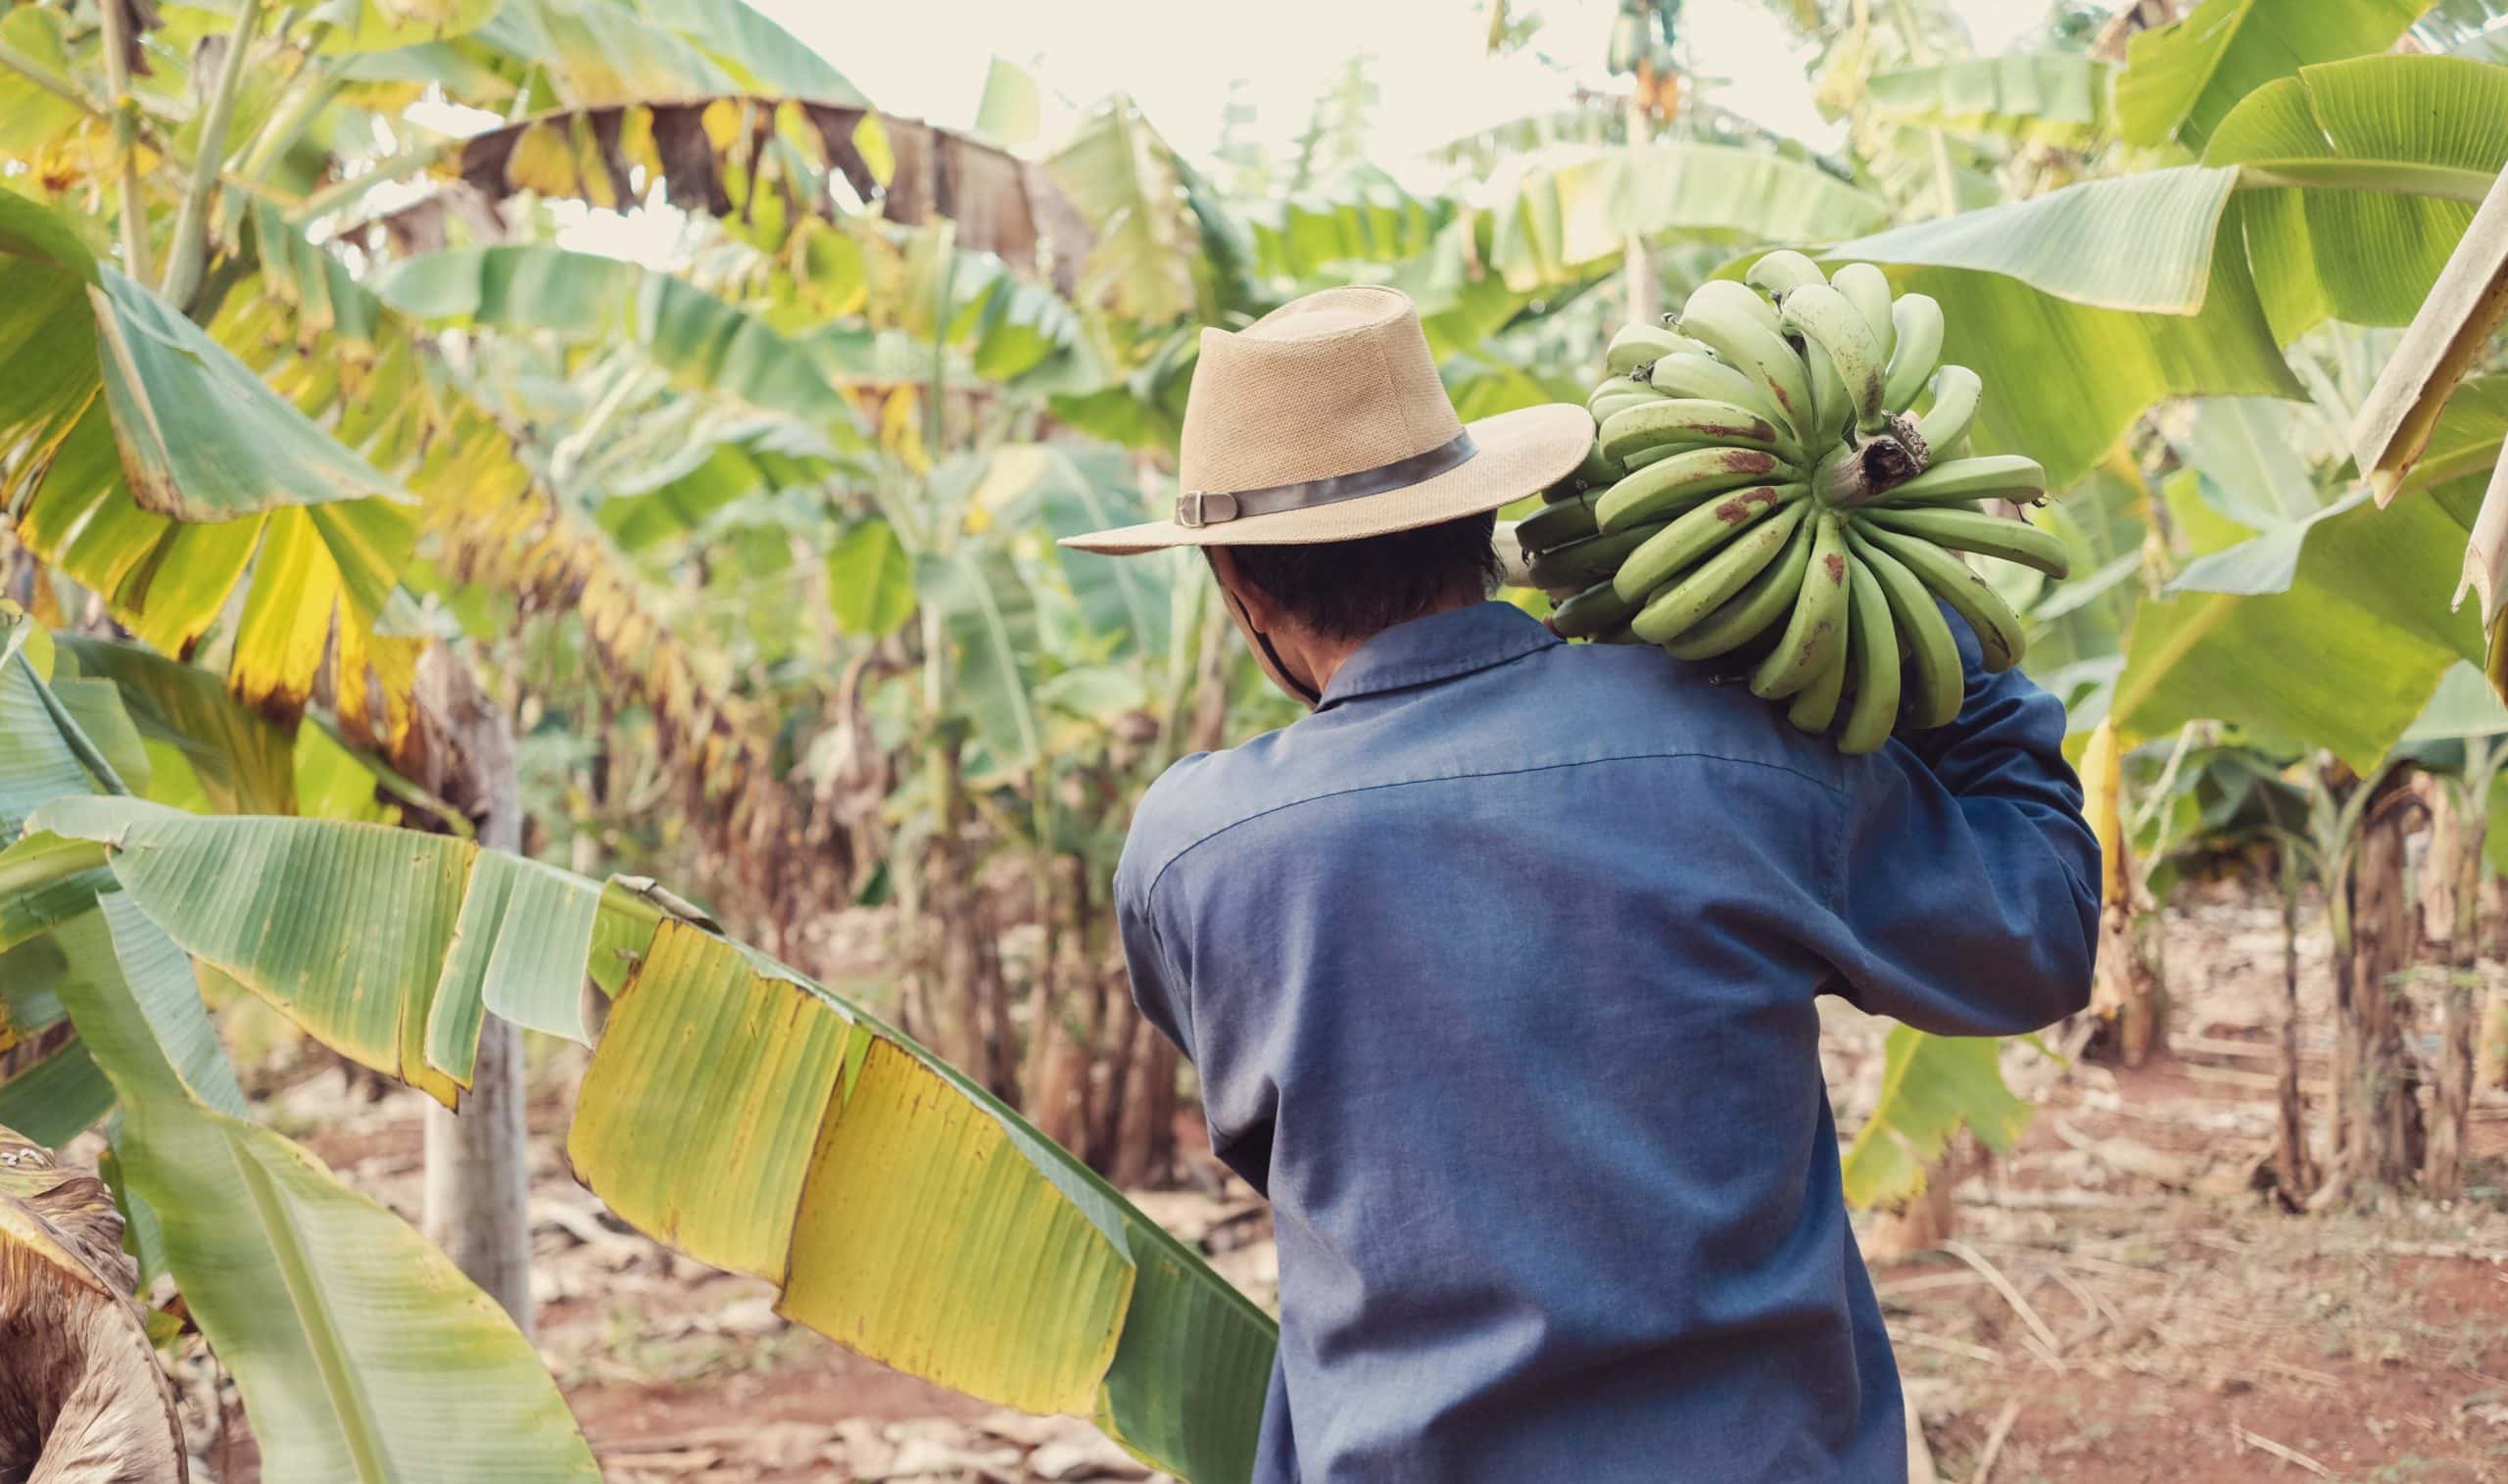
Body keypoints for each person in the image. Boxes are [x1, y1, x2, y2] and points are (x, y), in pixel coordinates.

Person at [1061, 285, 2098, 1483]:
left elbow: (1291, 1126)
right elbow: (2041, 933)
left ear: (1241, 586)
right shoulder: (1742, 754)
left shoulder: (1192, 853)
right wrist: (1931, 628)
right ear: (1477, 517)